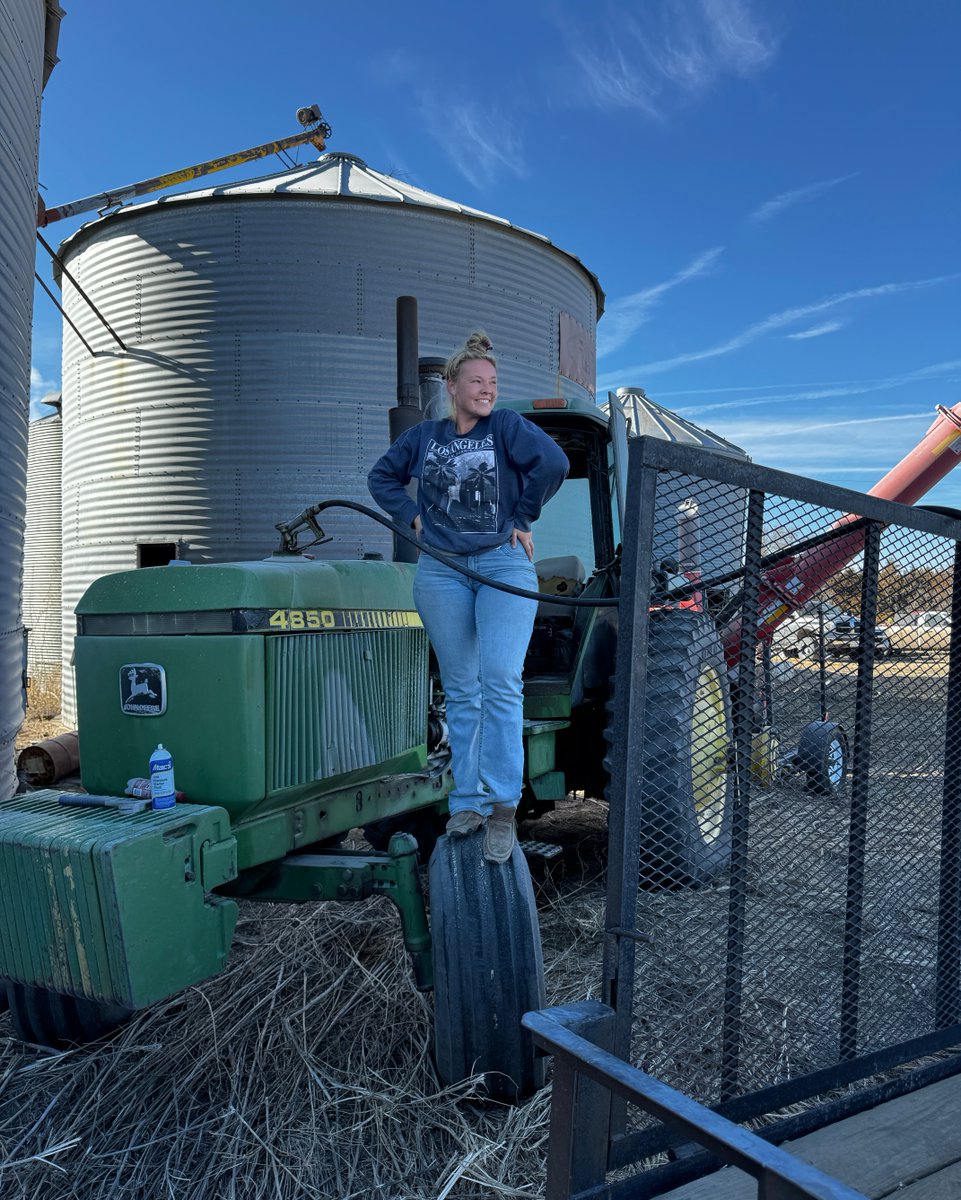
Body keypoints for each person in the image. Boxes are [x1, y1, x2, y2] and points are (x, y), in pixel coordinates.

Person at [368, 332, 569, 863]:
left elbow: (552, 463)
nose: (486, 390)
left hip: (503, 562)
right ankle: (468, 802)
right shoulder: (425, 437)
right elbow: (381, 477)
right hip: (442, 570)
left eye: (493, 383)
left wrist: (523, 516)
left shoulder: (504, 426)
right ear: (453, 386)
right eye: (476, 382)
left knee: (500, 679)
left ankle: (504, 804)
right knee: (460, 689)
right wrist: (411, 516)